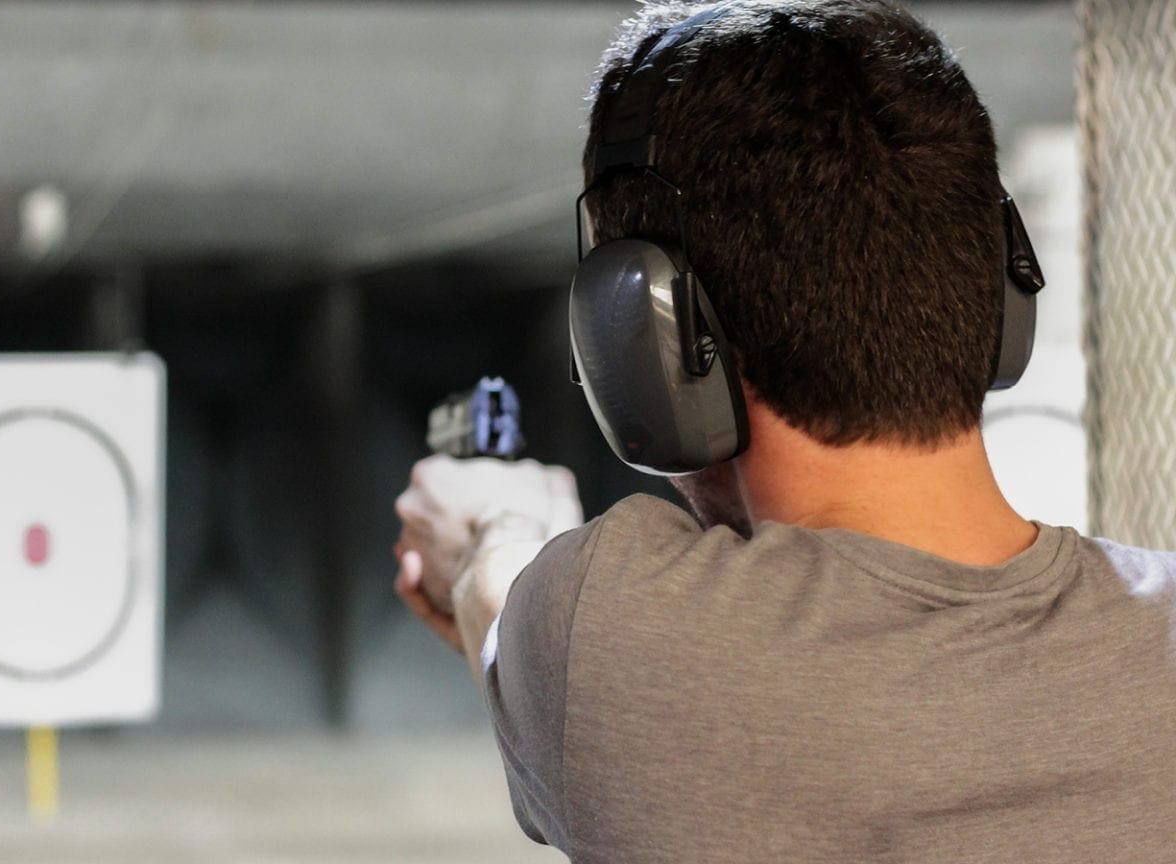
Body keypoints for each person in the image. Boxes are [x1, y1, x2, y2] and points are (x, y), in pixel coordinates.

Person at [392, 2, 1176, 862]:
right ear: (1000, 289)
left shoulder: (607, 632)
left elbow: (503, 606)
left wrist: (496, 524)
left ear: (645, 354)